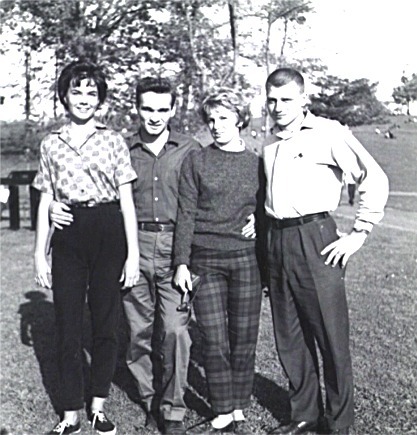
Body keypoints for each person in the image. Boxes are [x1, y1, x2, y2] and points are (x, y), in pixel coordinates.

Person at [49, 77, 202, 435]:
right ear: (136, 107)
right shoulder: (120, 146)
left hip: (173, 247)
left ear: (173, 110)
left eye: (163, 109)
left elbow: (201, 202)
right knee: (136, 333)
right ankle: (151, 402)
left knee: (176, 332)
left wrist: (250, 218)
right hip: (129, 245)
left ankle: (174, 410)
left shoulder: (189, 149)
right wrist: (55, 204)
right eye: (147, 108)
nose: (155, 116)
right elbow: (78, 183)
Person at [262, 67, 389, 435]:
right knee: (289, 336)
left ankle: (339, 423)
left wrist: (359, 232)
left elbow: (373, 176)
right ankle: (304, 415)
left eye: (286, 99)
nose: (278, 106)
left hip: (315, 238)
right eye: (272, 99)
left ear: (304, 98)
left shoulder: (328, 133)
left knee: (330, 337)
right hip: (277, 240)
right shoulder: (269, 141)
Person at [33, 60, 140, 435]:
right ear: (64, 95)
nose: (83, 99)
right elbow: (46, 200)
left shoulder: (113, 141)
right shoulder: (50, 144)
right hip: (68, 236)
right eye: (76, 91)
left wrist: (134, 255)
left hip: (108, 230)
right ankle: (70, 413)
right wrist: (38, 252)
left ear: (100, 99)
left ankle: (98, 406)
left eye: (91, 92)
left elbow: (127, 202)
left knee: (105, 322)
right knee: (67, 326)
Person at [173, 88, 264, 434]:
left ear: (240, 119)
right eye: (211, 119)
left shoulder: (257, 163)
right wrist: (182, 262)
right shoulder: (196, 160)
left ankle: (239, 404)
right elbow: (186, 213)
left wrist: (261, 220)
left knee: (244, 337)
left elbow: (268, 205)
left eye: (224, 118)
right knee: (214, 339)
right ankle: (222, 408)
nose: (216, 125)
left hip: (246, 260)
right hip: (204, 260)